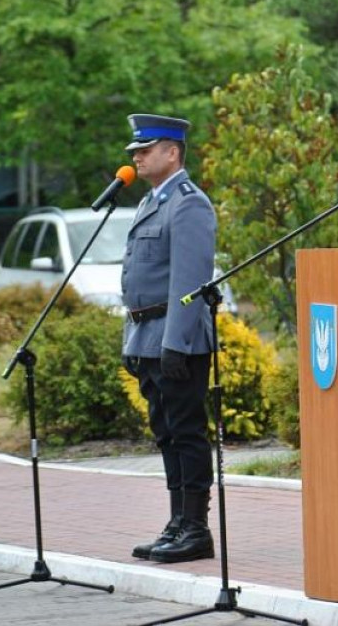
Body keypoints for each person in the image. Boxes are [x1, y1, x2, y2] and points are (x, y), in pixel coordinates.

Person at [121, 113, 217, 564]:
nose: (137, 157)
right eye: (135, 151)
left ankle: (195, 528)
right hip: (147, 336)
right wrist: (132, 340)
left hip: (176, 340)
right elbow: (136, 278)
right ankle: (177, 521)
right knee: (165, 433)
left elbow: (189, 282)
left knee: (186, 433)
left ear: (172, 152)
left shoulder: (188, 204)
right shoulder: (148, 203)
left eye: (145, 149)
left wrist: (175, 343)